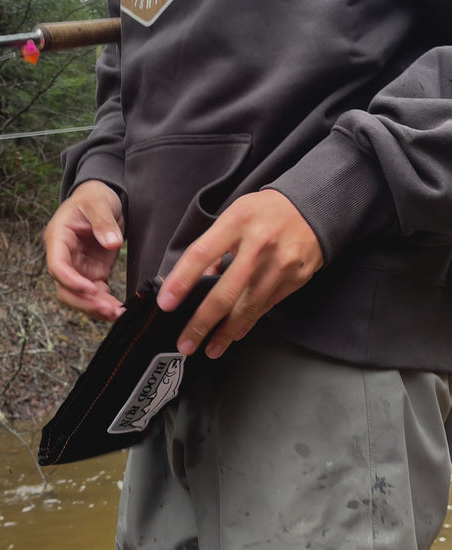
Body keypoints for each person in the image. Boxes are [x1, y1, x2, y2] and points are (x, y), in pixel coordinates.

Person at [44, 1, 452, 548]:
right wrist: (101, 175)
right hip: (161, 355)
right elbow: (128, 73)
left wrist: (339, 188)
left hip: (336, 335)